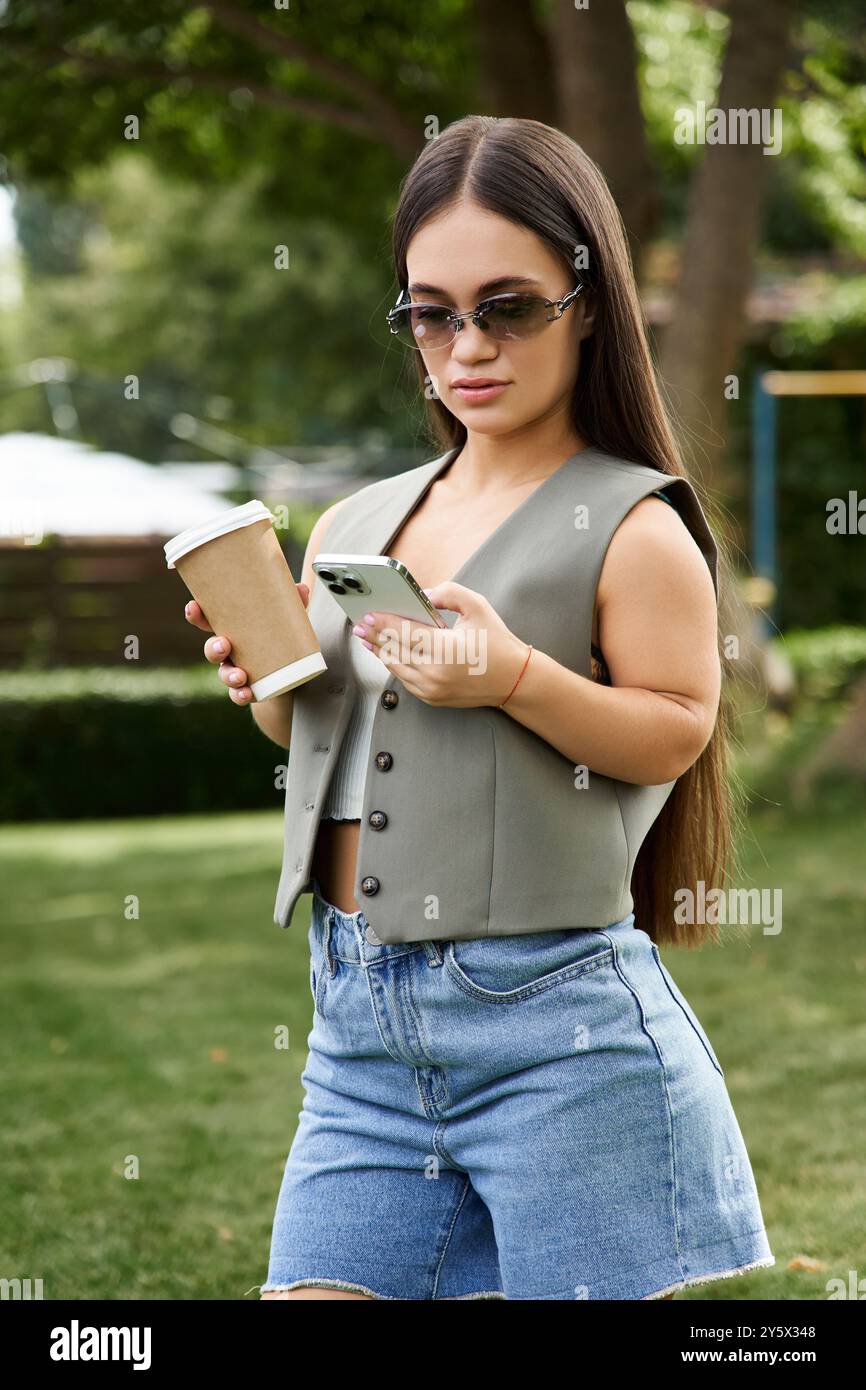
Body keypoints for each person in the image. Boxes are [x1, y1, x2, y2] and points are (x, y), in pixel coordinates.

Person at [186, 115, 774, 1301]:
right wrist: (269, 686)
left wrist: (512, 677)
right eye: (430, 311)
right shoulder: (358, 520)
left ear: (589, 300)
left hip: (553, 1032)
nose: (466, 347)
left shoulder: (633, 524)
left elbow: (675, 724)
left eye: (506, 307)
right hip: (356, 1027)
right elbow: (327, 740)